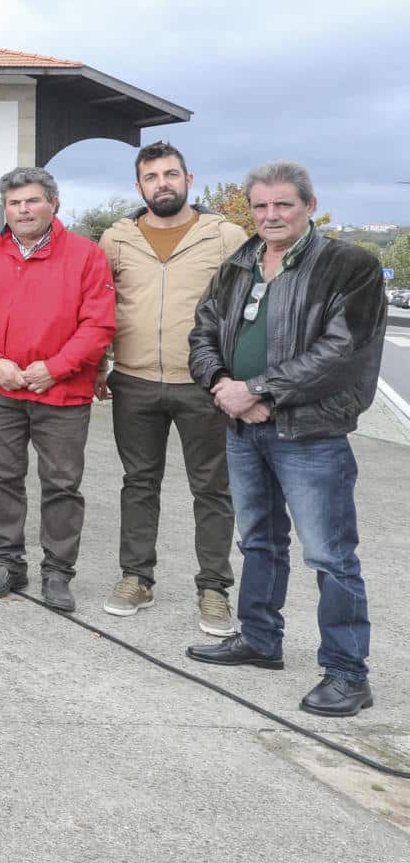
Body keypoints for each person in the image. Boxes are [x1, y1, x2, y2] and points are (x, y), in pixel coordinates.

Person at [186, 161, 387, 717]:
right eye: (260, 206)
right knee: (259, 542)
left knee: (330, 556)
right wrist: (221, 385)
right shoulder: (238, 264)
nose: (270, 216)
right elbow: (202, 330)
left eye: (283, 205)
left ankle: (348, 673)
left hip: (311, 434)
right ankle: (259, 639)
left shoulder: (351, 267)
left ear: (309, 205)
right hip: (242, 429)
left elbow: (341, 352)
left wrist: (260, 392)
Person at [95, 141, 248, 634]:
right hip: (135, 381)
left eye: (170, 174)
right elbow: (99, 307)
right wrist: (99, 365)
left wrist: (237, 376)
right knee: (139, 484)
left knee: (212, 489)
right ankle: (136, 577)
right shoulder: (116, 239)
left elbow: (248, 308)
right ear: (138, 186)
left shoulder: (225, 236)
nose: (162, 183)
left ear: (189, 178)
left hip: (204, 384)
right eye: (151, 176)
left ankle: (214, 589)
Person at [0, 167, 116, 612]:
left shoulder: (86, 256)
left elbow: (99, 323)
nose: (22, 210)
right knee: (3, 479)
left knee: (62, 484)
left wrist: (57, 368)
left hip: (61, 393)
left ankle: (58, 573)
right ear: (4, 209)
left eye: (32, 201)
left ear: (53, 203)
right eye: (14, 203)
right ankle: (8, 563)